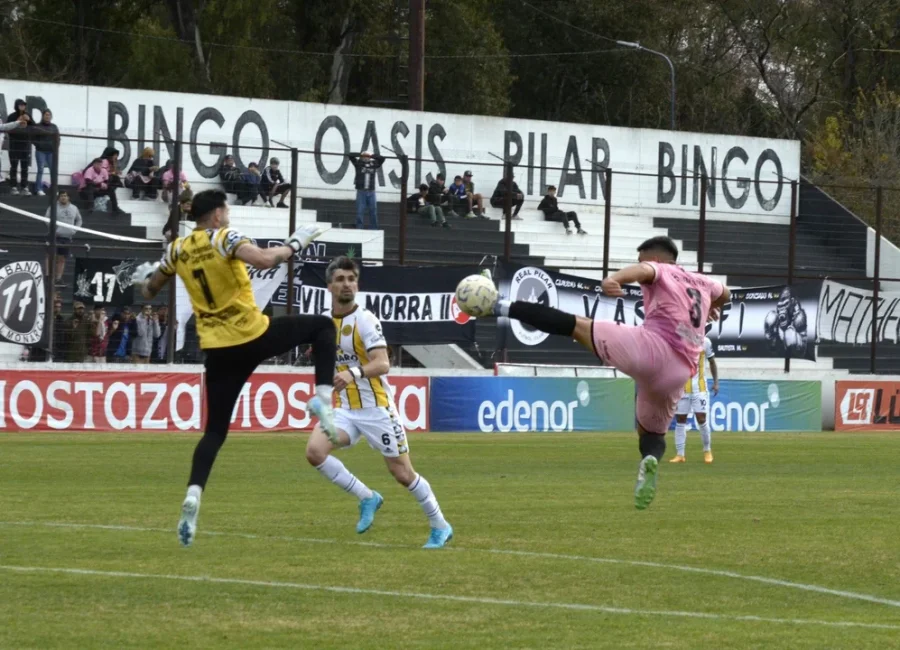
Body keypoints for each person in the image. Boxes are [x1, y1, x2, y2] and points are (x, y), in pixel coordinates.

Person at [130, 188, 339, 547]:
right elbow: (262, 260)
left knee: (214, 433)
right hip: (251, 334)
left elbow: (150, 291)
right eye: (224, 210)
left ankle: (194, 494)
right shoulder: (224, 237)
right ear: (215, 215)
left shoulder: (176, 249)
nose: (227, 214)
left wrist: (142, 279)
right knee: (322, 327)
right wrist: (294, 244)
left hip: (217, 350)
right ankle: (322, 397)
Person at [465, 236, 730, 510]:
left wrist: (613, 278)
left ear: (657, 259)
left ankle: (498, 305)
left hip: (652, 349)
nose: (642, 266)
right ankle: (648, 462)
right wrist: (714, 305)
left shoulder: (659, 269)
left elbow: (644, 270)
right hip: (679, 372)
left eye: (644, 260)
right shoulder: (702, 281)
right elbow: (727, 293)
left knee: (575, 325)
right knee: (651, 433)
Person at [305, 256, 453, 549]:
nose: (347, 284)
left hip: (377, 410)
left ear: (357, 284)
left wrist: (353, 373)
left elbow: (383, 363)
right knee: (314, 452)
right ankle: (367, 497)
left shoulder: (366, 320)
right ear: (329, 285)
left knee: (402, 473)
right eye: (340, 279)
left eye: (351, 279)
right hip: (347, 409)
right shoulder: (322, 321)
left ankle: (440, 524)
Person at [671, 336, 718, 464]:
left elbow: (712, 361)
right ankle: (680, 454)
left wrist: (716, 382)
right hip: (682, 388)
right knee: (680, 420)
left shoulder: (705, 342)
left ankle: (707, 450)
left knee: (701, 419)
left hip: (700, 388)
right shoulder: (678, 340)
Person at [45, 191, 82, 286]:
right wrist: (53, 229)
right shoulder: (53, 207)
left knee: (62, 259)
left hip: (67, 237)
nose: (63, 197)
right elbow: (46, 218)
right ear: (58, 197)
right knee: (50, 256)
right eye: (61, 196)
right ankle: (48, 277)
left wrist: (74, 230)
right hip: (54, 236)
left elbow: (79, 220)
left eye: (65, 196)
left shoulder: (74, 208)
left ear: (68, 197)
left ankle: (58, 278)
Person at [348, 151, 386, 229]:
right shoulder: (358, 164)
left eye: (367, 156)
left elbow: (382, 158)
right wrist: (361, 154)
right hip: (361, 191)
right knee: (360, 211)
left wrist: (372, 155)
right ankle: (359, 228)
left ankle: (374, 228)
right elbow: (350, 155)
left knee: (373, 211)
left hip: (371, 191)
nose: (366, 157)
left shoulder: (374, 164)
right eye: (364, 156)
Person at [5, 99, 33, 195]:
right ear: (16, 105)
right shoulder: (12, 116)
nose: (22, 107)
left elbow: (35, 127)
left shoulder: (28, 115)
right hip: (14, 144)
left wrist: (29, 120)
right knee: (14, 166)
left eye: (24, 105)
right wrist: (17, 121)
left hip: (25, 145)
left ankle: (24, 187)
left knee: (24, 167)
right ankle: (13, 186)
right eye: (20, 105)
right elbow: (7, 128)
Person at [32, 109, 59, 196]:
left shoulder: (54, 127)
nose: (47, 116)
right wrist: (39, 145)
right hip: (40, 151)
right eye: (46, 115)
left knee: (53, 171)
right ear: (43, 116)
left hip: (51, 152)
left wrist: (55, 147)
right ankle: (38, 189)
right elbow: (32, 138)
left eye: (49, 115)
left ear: (51, 116)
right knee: (40, 169)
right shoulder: (37, 126)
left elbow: (58, 139)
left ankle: (54, 189)